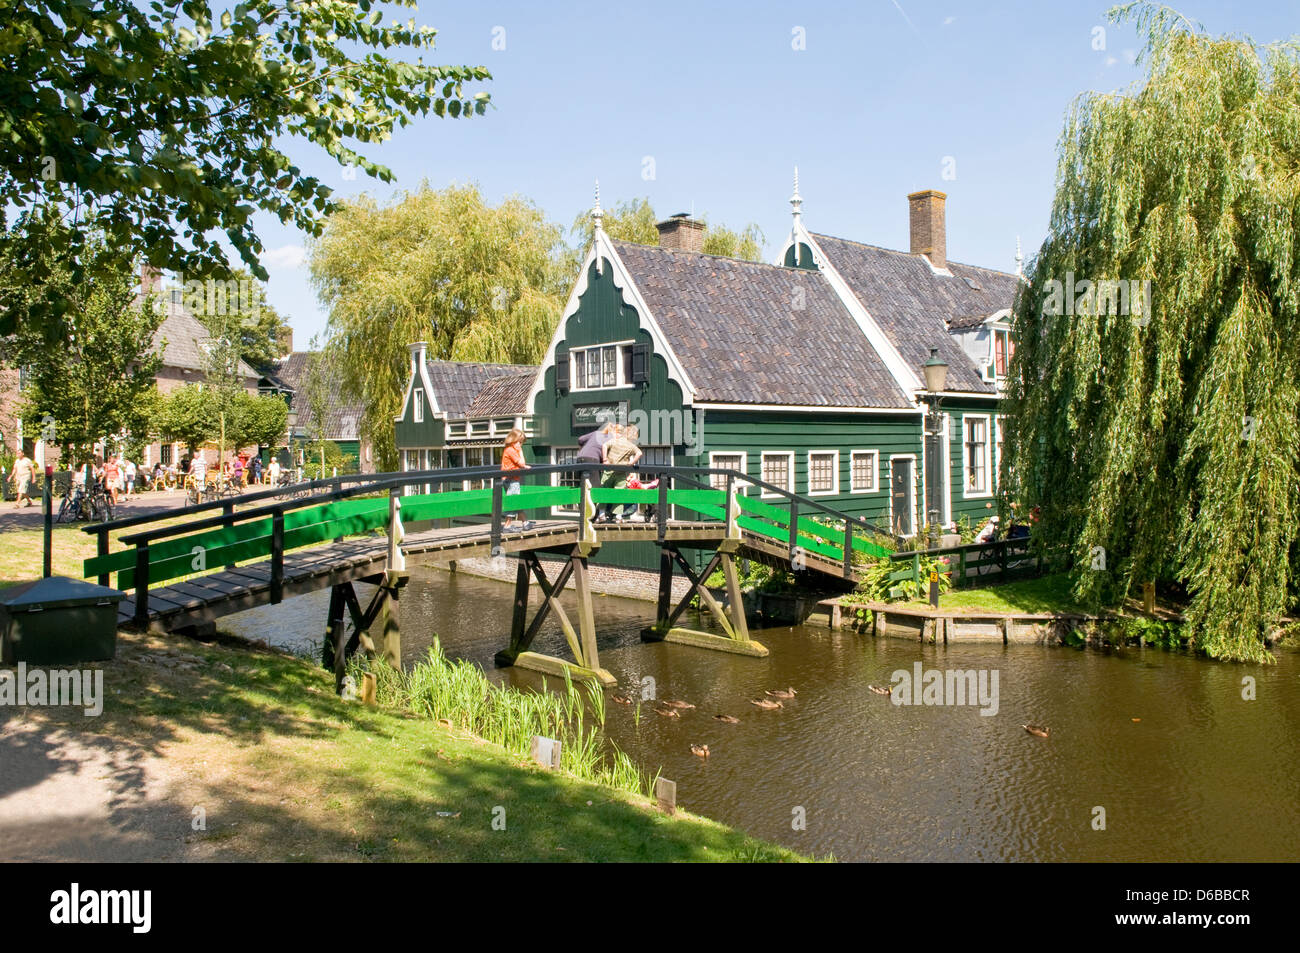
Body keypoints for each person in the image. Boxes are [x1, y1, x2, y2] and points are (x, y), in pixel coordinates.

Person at [599, 424, 643, 523]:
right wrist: (631, 462)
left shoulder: (614, 441)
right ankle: (618, 517)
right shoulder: (630, 445)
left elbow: (604, 445)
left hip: (609, 471)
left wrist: (605, 459)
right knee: (619, 494)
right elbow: (639, 453)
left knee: (604, 493)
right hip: (621, 473)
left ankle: (601, 515)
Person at [500, 428, 533, 532]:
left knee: (516, 500)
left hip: (510, 479)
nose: (520, 444)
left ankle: (525, 522)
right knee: (513, 501)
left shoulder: (510, 449)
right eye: (519, 442)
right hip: (511, 479)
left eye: (521, 442)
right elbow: (521, 463)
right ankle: (507, 525)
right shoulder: (511, 450)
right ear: (513, 440)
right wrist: (520, 451)